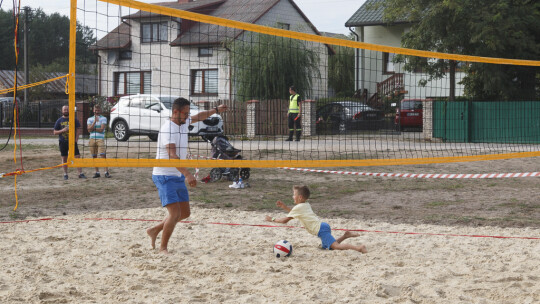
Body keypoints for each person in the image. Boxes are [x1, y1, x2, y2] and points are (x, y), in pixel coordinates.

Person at [147, 98, 228, 254]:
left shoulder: (183, 122)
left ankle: (155, 230)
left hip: (176, 174)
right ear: (175, 112)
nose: (187, 116)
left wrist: (216, 110)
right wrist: (187, 173)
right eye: (184, 113)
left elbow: (200, 116)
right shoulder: (168, 129)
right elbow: (172, 156)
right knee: (174, 213)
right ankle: (163, 248)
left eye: (188, 113)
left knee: (185, 213)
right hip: (164, 175)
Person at [265, 185, 367, 253]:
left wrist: (272, 219)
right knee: (330, 247)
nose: (292, 196)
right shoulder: (305, 204)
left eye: (294, 195)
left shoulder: (299, 207)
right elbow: (295, 213)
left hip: (321, 230)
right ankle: (346, 235)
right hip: (322, 226)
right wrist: (284, 207)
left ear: (299, 197)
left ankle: (359, 248)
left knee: (336, 246)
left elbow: (284, 220)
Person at [53, 105, 86, 180]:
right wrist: (62, 130)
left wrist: (76, 139)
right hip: (63, 142)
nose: (66, 111)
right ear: (62, 111)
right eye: (64, 109)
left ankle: (80, 173)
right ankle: (65, 174)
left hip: (72, 142)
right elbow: (54, 132)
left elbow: (78, 129)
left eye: (67, 109)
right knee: (64, 158)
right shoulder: (59, 120)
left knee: (77, 157)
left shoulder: (73, 119)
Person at [87, 104, 111, 178]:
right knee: (94, 156)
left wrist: (93, 128)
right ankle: (97, 172)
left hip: (100, 139)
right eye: (96, 110)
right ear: (93, 110)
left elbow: (101, 129)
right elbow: (88, 130)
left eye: (98, 110)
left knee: (103, 155)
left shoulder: (103, 118)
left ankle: (106, 172)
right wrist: (94, 122)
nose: (97, 111)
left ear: (100, 110)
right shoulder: (90, 119)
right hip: (92, 139)